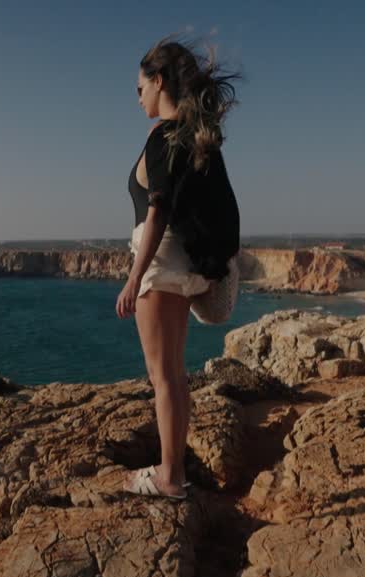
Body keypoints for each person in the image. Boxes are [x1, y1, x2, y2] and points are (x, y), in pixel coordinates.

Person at [118, 36, 241, 499]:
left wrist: (134, 278)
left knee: (162, 376)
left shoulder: (161, 137)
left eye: (140, 87)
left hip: (160, 264)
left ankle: (169, 476)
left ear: (159, 80)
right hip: (185, 264)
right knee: (174, 373)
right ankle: (175, 468)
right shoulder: (194, 138)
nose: (138, 97)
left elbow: (158, 209)